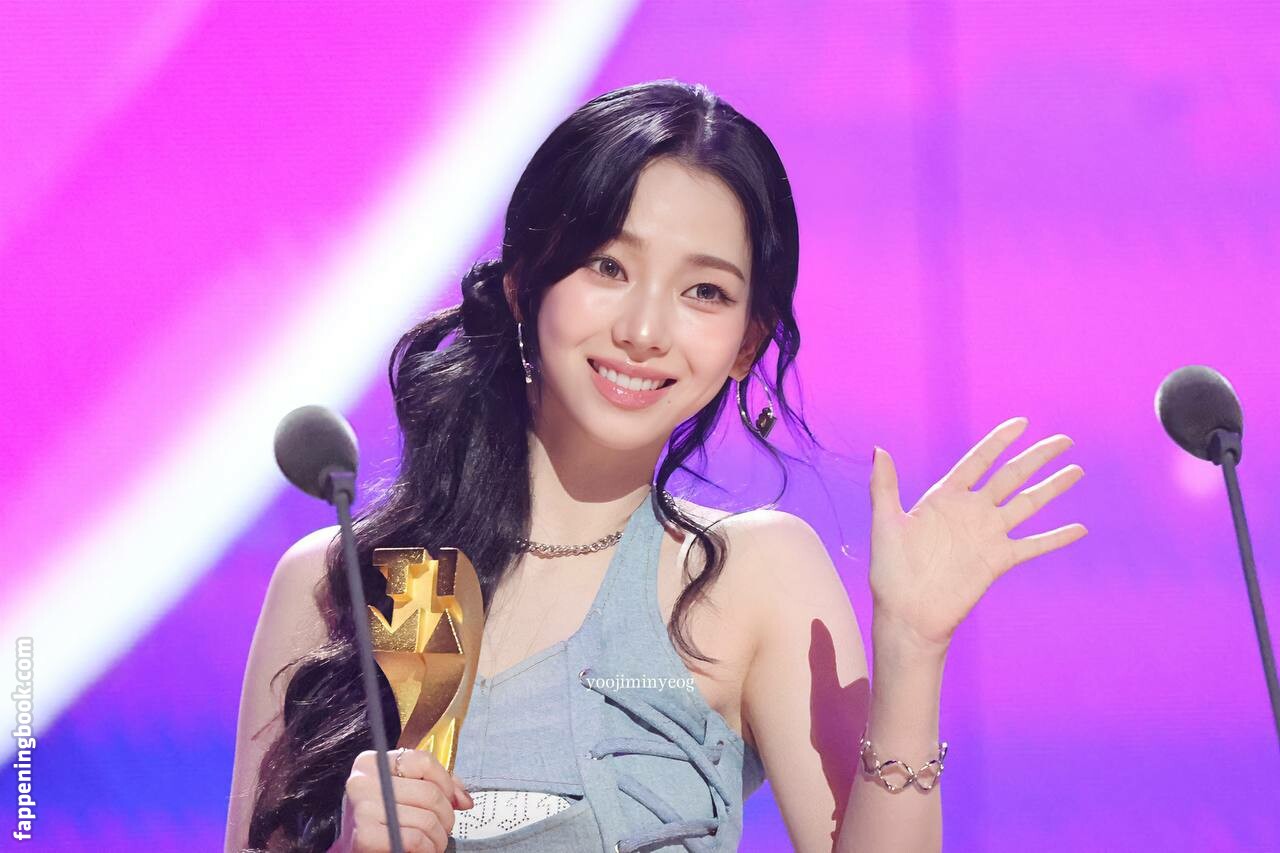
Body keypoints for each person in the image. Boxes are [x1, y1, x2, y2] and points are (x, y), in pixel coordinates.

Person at [225, 79, 1086, 853]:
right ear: (524, 284)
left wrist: (910, 650)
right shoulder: (346, 581)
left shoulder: (753, 574)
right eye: (608, 266)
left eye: (704, 291)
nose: (643, 330)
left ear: (746, 344)